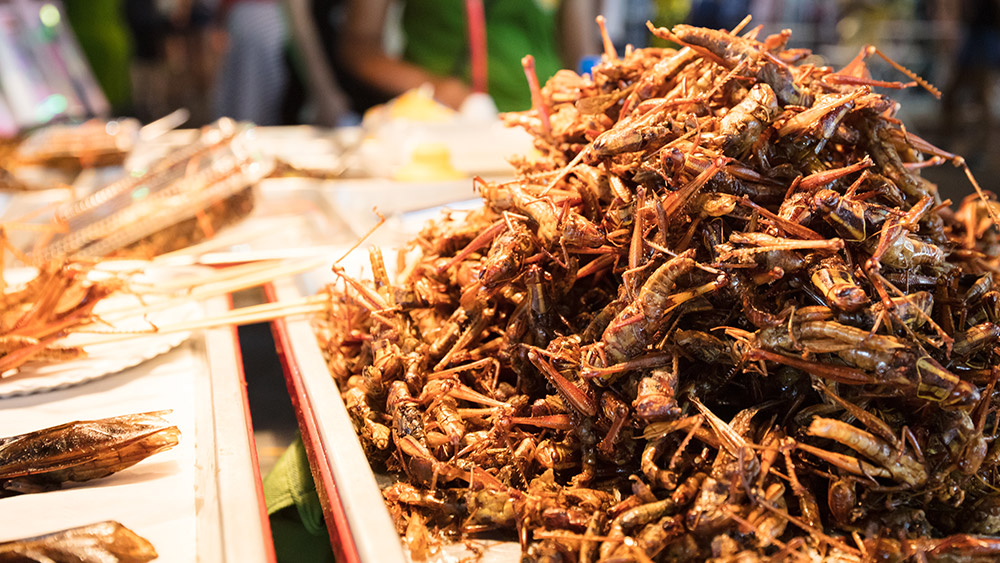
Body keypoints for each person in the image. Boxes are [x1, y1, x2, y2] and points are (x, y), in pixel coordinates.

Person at [334, 0, 599, 113]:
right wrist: (434, 88)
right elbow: (359, 45)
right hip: (444, 134)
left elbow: (581, 54)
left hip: (540, 128)